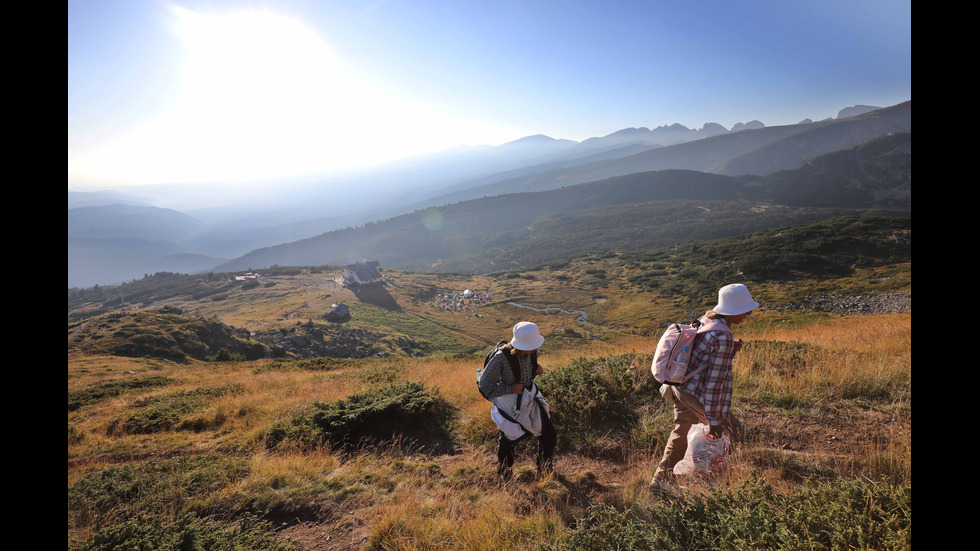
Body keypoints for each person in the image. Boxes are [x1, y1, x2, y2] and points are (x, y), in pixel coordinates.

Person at [652, 283, 758, 489]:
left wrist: (729, 350)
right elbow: (714, 385)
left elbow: (702, 356)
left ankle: (661, 481)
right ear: (734, 309)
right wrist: (714, 420)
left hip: (681, 386)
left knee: (681, 433)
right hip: (695, 392)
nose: (748, 314)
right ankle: (715, 481)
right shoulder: (723, 336)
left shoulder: (708, 319)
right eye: (745, 310)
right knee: (733, 431)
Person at [478, 321, 556, 478]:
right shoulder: (500, 358)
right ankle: (504, 473)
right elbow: (485, 386)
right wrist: (510, 389)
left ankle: (544, 470)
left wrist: (536, 368)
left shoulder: (531, 351)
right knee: (508, 438)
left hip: (528, 396)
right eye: (531, 345)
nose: (535, 348)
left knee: (549, 434)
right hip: (509, 403)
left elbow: (525, 365)